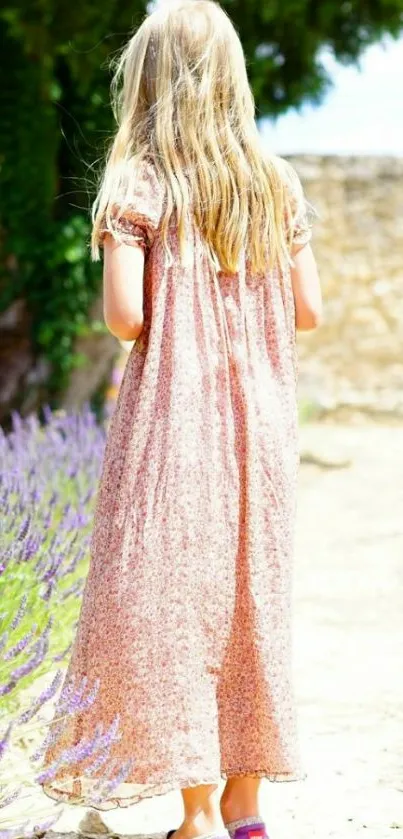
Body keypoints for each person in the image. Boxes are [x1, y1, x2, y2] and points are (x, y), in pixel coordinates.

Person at [40, 1, 322, 837]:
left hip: (174, 417)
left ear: (148, 79)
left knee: (167, 598)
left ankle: (194, 814)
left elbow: (126, 318)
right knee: (248, 595)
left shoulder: (139, 181)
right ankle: (246, 806)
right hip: (262, 422)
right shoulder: (276, 181)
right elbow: (307, 308)